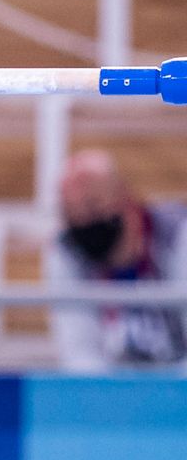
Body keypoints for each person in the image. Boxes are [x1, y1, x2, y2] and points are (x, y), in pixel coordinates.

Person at [48, 149, 187, 371]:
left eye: (92, 205)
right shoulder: (69, 253)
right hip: (112, 396)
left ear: (124, 196)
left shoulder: (177, 235)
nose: (83, 221)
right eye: (71, 213)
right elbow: (79, 354)